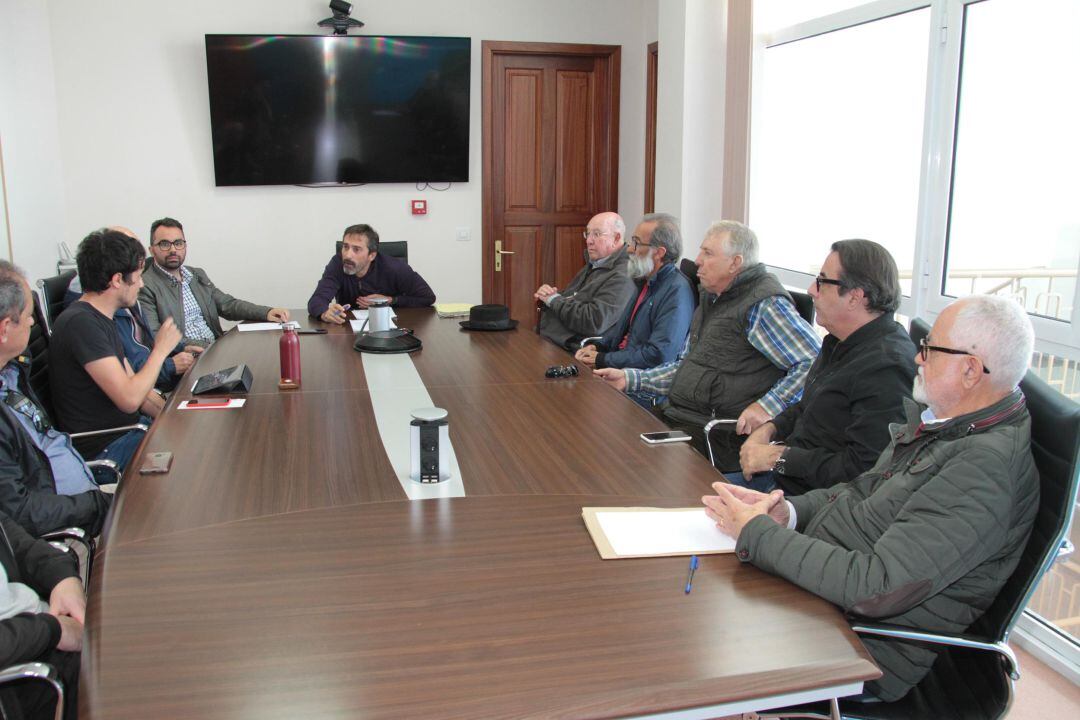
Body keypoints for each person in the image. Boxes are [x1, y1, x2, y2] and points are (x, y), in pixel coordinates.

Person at [702, 294, 1038, 703]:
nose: (918, 358)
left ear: (971, 370)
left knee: (699, 645)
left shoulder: (983, 471)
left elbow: (875, 590)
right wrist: (784, 513)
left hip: (863, 647)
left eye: (930, 349)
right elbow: (858, 490)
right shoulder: (946, 425)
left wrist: (758, 534)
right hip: (827, 598)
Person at [595, 221, 820, 469]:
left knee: (623, 465)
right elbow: (687, 368)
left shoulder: (763, 305)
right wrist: (630, 378)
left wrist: (768, 406)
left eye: (708, 253)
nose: (698, 260)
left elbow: (814, 361)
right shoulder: (712, 298)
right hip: (679, 418)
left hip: (715, 437)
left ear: (735, 263)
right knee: (602, 441)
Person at [732, 240, 916, 494]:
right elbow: (809, 406)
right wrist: (769, 428)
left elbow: (863, 471)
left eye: (822, 281)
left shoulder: (887, 367)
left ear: (855, 296)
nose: (811, 290)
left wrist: (778, 457)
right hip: (783, 482)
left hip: (812, 504)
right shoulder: (839, 340)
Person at [50, 229, 182, 466]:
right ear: (117, 279)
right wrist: (160, 351)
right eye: (138, 276)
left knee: (194, 439)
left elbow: (140, 394)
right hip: (107, 451)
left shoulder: (102, 318)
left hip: (131, 431)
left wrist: (177, 417)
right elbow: (130, 399)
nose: (141, 284)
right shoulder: (81, 324)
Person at [0, 262, 112, 537]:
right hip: (70, 528)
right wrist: (100, 505)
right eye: (27, 314)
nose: (32, 322)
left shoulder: (12, 372)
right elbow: (23, 512)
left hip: (84, 495)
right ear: (4, 328)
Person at [574, 213, 695, 408]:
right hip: (617, 372)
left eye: (637, 243)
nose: (630, 249)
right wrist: (599, 348)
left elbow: (658, 354)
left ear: (659, 252)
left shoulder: (677, 292)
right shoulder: (644, 279)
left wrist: (604, 359)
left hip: (641, 390)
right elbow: (623, 331)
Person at [139, 217, 290, 346]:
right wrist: (208, 347)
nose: (173, 249)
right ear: (151, 249)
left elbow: (227, 305)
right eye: (165, 244)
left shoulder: (196, 274)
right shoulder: (144, 285)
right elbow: (156, 335)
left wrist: (266, 312)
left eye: (178, 243)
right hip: (188, 356)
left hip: (214, 347)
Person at [0, 511, 84, 720]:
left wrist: (62, 577)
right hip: (21, 675)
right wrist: (53, 630)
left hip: (40, 628)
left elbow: (17, 542)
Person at [535, 211, 636, 350]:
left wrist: (554, 300)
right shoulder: (596, 263)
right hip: (552, 335)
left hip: (572, 346)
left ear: (616, 238)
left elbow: (594, 321)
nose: (589, 240)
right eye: (588, 233)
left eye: (597, 234)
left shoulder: (624, 275)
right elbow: (573, 296)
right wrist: (548, 295)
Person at [308, 224, 436, 323]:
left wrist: (391, 300)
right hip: (347, 330)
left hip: (392, 327)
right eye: (345, 247)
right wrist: (324, 313)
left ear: (372, 255)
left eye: (356, 249)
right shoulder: (337, 263)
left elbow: (427, 297)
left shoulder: (394, 268)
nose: (347, 255)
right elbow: (317, 300)